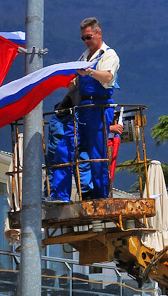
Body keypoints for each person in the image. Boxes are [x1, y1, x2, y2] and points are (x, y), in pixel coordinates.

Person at [48, 17, 120, 202]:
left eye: (88, 37)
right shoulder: (84, 56)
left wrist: (88, 72)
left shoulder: (108, 55)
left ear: (99, 33)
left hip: (98, 107)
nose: (87, 41)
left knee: (97, 154)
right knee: (65, 148)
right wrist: (73, 82)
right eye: (83, 38)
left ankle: (100, 196)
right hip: (81, 108)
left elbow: (107, 76)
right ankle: (60, 195)